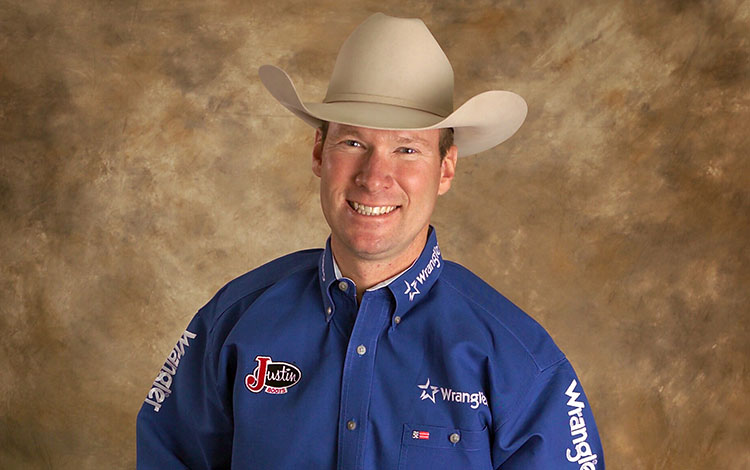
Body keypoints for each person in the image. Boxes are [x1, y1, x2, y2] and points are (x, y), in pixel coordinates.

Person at [136, 13, 604, 470]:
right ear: (319, 153)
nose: (375, 178)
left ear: (445, 168)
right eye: (354, 143)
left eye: (406, 149)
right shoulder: (233, 320)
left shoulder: (519, 359)